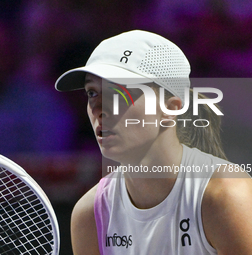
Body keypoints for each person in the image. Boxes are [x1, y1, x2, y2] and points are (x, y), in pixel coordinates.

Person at [54, 30, 252, 254]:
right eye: (92, 93)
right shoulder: (89, 214)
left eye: (119, 92)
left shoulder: (226, 195)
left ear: (172, 108)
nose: (99, 109)